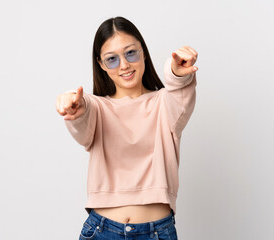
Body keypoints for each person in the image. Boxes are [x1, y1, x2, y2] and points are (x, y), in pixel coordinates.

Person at [55, 16, 198, 240]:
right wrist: (74, 107)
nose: (124, 65)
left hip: (157, 232)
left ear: (143, 52)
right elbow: (83, 116)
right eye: (112, 59)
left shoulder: (164, 104)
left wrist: (176, 72)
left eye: (131, 53)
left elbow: (178, 91)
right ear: (101, 64)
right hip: (101, 231)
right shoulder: (97, 108)